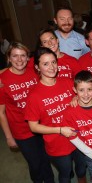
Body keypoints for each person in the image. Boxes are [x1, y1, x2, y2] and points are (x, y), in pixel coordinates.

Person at [24, 47, 87, 183]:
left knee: (82, 169)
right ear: (37, 67)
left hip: (78, 136)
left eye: (54, 62)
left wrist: (77, 98)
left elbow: (84, 98)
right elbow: (33, 127)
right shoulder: (34, 96)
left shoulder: (67, 82)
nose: (51, 67)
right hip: (57, 144)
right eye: (45, 64)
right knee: (66, 173)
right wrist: (59, 130)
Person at [0, 42, 54, 183]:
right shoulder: (2, 80)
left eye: (23, 55)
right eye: (15, 56)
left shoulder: (34, 72)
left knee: (46, 159)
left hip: (40, 126)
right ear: (9, 58)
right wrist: (8, 137)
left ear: (28, 58)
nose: (19, 60)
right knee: (35, 163)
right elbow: (1, 112)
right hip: (21, 130)